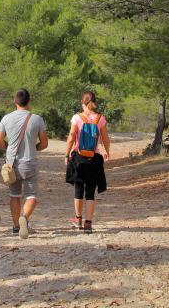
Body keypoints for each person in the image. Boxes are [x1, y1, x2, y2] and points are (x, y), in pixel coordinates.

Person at [0, 88, 49, 239]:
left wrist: (9, 149)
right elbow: (44, 144)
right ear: (29, 101)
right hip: (30, 162)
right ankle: (24, 218)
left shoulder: (6, 118)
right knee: (31, 196)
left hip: (11, 164)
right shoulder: (37, 119)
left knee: (14, 195)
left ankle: (15, 227)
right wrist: (34, 147)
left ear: (15, 101)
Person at [65, 91, 111, 233]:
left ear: (82, 102)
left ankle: (77, 219)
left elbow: (72, 136)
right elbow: (105, 138)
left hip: (79, 158)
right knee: (90, 192)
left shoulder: (77, 118)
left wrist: (67, 154)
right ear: (94, 102)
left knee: (78, 189)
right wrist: (107, 151)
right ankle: (88, 223)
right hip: (94, 158)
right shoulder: (100, 118)